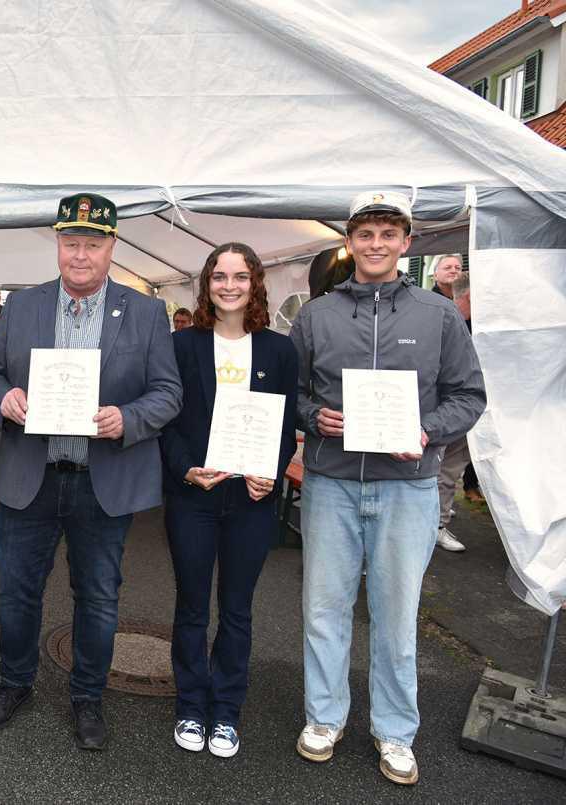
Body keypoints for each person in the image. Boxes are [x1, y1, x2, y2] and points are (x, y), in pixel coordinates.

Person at [290, 191, 485, 785]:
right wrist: (312, 417)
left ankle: (395, 731)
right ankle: (324, 718)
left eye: (388, 233)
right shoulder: (316, 315)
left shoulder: (439, 314)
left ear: (406, 242)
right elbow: (291, 394)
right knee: (323, 609)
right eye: (365, 233)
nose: (376, 244)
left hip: (408, 485)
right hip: (331, 482)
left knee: (396, 616)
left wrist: (427, 432)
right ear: (350, 242)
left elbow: (469, 396)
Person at [0, 193, 183, 750]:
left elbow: (168, 392)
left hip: (102, 478)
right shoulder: (22, 307)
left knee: (98, 596)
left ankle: (87, 695)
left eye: (93, 243)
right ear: (58, 245)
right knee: (16, 593)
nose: (81, 254)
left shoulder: (144, 312)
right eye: (72, 243)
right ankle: (14, 683)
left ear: (112, 246)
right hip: (31, 474)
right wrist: (4, 401)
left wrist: (128, 417)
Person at [160, 243, 297, 759]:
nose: (230, 285)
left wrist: (273, 469)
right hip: (195, 495)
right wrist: (184, 469)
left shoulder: (279, 351)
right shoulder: (182, 346)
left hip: (251, 499)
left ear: (255, 282)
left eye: (240, 276)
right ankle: (191, 705)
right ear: (207, 284)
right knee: (192, 608)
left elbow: (286, 426)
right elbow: (167, 423)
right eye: (220, 276)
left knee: (237, 610)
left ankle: (226, 712)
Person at [434, 270, 476, 551]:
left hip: (460, 409)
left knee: (450, 468)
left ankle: (438, 520)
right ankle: (435, 524)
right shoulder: (444, 320)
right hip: (443, 410)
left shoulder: (466, 323)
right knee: (445, 469)